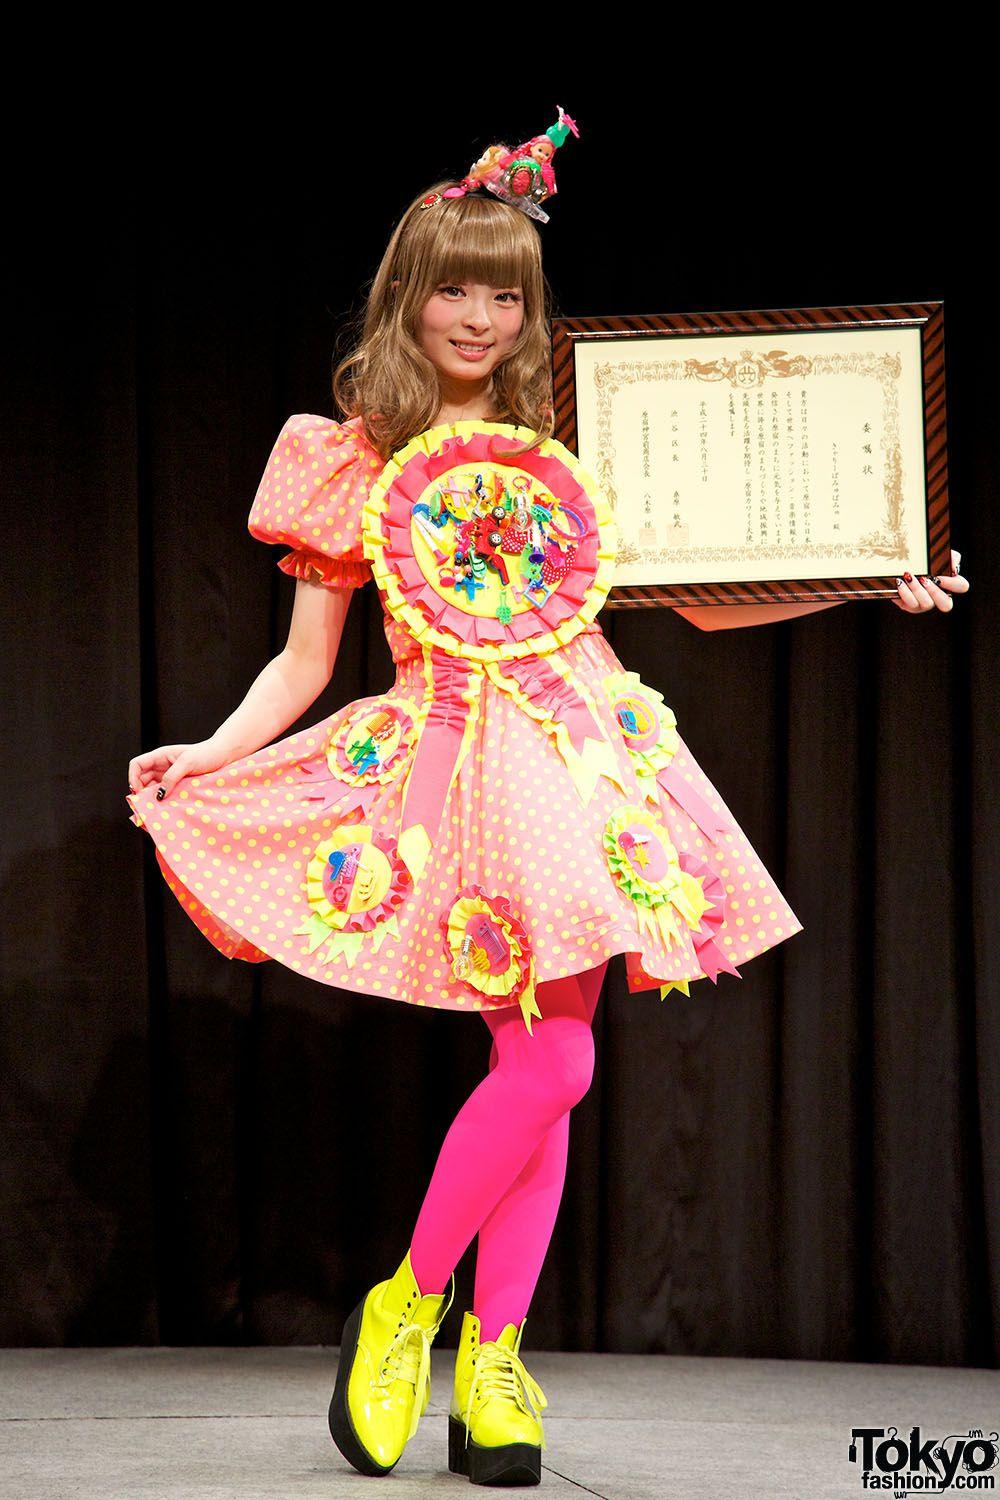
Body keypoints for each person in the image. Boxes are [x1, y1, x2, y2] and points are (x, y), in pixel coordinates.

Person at [126, 114, 968, 1488]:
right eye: (456, 289)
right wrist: (210, 754)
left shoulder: (573, 435)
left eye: (506, 294)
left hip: (587, 759)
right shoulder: (349, 453)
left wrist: (872, 575)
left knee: (550, 1073)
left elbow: (704, 597)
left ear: (531, 309)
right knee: (553, 1069)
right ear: (409, 295)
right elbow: (303, 663)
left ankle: (487, 1358)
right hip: (457, 766)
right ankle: (413, 1311)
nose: (480, 317)